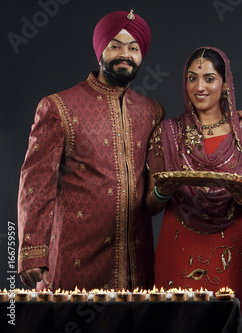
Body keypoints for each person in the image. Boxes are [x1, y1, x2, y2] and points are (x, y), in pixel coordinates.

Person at [17, 10, 162, 291]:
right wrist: (33, 251)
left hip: (136, 260)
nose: (125, 54)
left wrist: (235, 116)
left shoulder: (152, 112)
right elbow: (36, 183)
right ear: (100, 51)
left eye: (134, 48)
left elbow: (182, 139)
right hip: (74, 256)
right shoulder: (59, 107)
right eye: (115, 45)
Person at [145, 47, 242, 332]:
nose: (199, 87)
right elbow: (150, 205)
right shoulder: (168, 131)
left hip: (232, 248)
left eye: (209, 78)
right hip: (179, 242)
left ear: (225, 85)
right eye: (192, 78)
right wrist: (164, 191)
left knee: (226, 322)